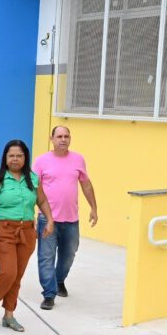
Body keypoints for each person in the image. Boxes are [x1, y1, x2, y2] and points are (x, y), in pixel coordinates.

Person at [0, 140, 54, 331]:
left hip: (27, 232)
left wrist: (50, 220)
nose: (15, 159)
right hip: (2, 231)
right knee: (8, 271)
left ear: (25, 158)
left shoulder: (33, 178)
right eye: (11, 155)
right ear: (5, 158)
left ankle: (9, 315)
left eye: (19, 155)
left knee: (17, 276)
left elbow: (43, 200)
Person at [34, 126, 98, 310]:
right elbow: (34, 190)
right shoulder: (41, 162)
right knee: (46, 257)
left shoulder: (78, 159)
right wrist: (31, 216)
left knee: (69, 254)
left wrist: (94, 208)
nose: (63, 139)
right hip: (48, 219)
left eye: (66, 136)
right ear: (51, 139)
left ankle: (59, 279)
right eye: (59, 136)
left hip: (71, 219)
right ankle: (49, 294)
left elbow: (86, 184)